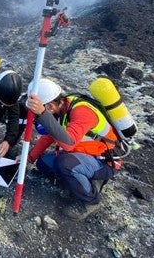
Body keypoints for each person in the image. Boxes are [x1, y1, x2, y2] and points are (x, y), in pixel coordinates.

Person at [25, 78, 120, 219]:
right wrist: (30, 157)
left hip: (103, 161)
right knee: (43, 164)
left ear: (50, 106)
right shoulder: (63, 107)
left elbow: (68, 143)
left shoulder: (82, 112)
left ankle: (91, 200)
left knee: (63, 164)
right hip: (82, 154)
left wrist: (43, 115)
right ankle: (78, 180)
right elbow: (51, 134)